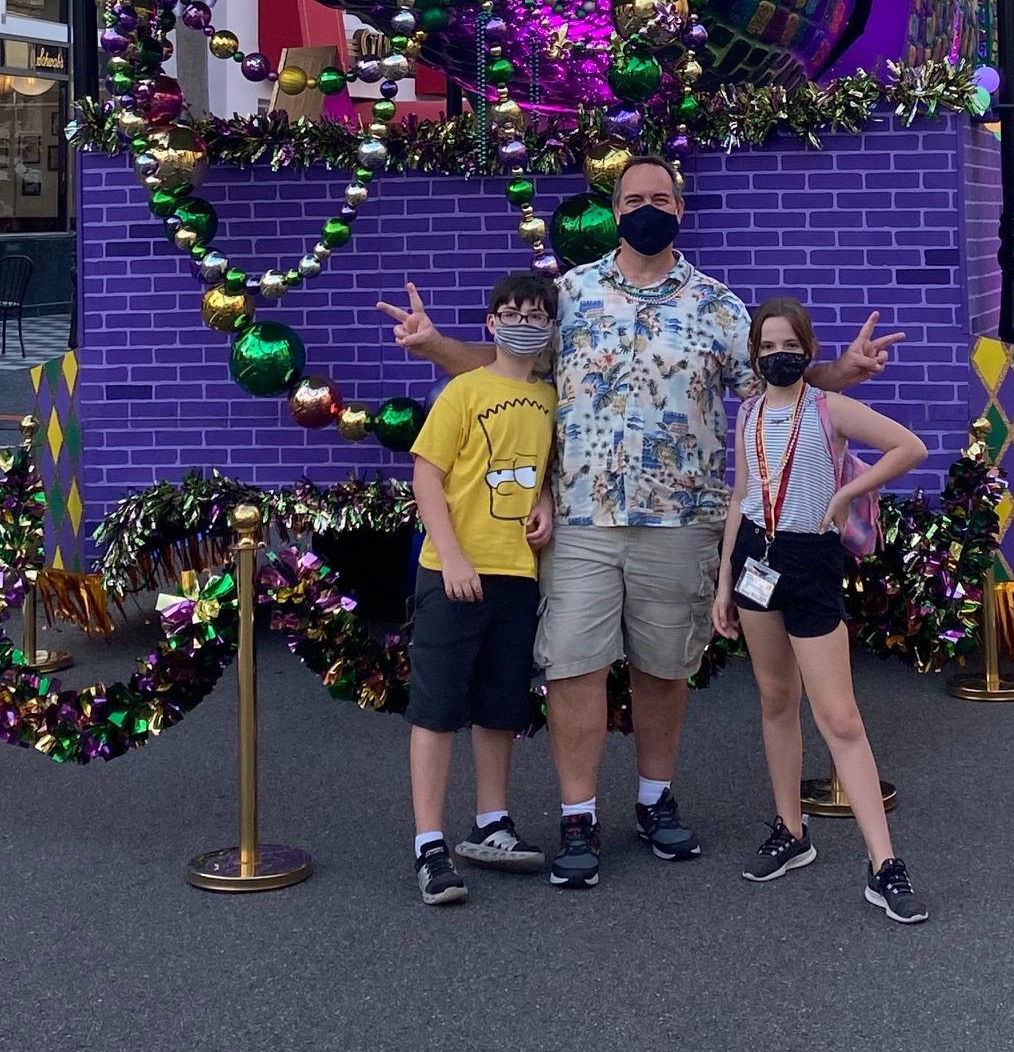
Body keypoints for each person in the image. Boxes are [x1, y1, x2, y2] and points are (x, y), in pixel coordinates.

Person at [380, 153, 902, 892]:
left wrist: (840, 372)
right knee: (573, 666)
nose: (647, 207)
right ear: (615, 209)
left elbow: (777, 384)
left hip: (682, 519)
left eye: (662, 196)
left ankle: (656, 799)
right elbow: (503, 366)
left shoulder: (719, 307)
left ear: (680, 210)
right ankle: (579, 816)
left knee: (664, 668)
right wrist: (433, 344)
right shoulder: (571, 294)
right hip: (583, 519)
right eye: (634, 197)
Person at [713, 298, 929, 921]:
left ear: (808, 351)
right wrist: (726, 581)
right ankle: (791, 829)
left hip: (811, 564)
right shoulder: (750, 413)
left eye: (790, 347)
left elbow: (906, 447)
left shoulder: (828, 408)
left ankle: (884, 863)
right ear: (754, 355)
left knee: (839, 717)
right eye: (768, 347)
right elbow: (741, 496)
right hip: (757, 561)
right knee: (775, 698)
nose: (779, 356)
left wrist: (847, 494)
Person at [405, 271, 559, 906]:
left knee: (501, 706)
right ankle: (429, 844)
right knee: (439, 707)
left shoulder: (552, 399)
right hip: (453, 573)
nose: (524, 322)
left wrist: (545, 497)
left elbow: (545, 470)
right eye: (512, 312)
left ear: (551, 327)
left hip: (517, 573)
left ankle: (492, 822)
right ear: (492, 322)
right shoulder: (463, 392)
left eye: (537, 314)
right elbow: (426, 478)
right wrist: (456, 558)